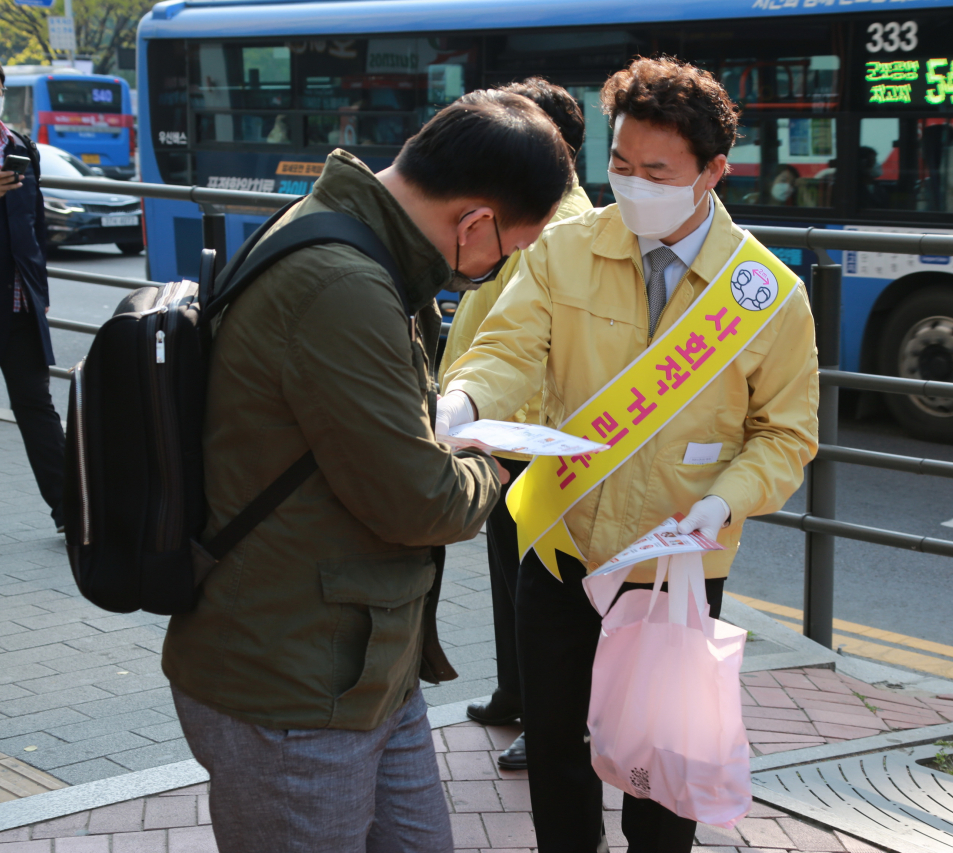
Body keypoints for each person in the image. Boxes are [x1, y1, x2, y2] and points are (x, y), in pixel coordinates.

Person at [160, 90, 573, 853]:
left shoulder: (353, 239)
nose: (499, 266)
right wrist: (493, 457)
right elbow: (419, 499)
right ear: (475, 221)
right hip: (292, 684)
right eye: (509, 250)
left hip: (361, 661)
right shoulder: (343, 283)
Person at [441, 57, 819, 852]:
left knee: (664, 768)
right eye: (619, 164)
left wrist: (725, 501)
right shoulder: (564, 249)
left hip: (676, 567)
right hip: (561, 548)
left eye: (656, 170)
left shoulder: (767, 293)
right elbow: (507, 348)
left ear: (712, 172)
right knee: (555, 750)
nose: (632, 184)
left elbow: (786, 434)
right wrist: (466, 399)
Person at [436, 77, 593, 773]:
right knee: (510, 576)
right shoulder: (536, 210)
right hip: (501, 424)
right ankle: (514, 691)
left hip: (533, 434)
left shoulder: (560, 224)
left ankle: (545, 714)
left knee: (538, 590)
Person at [0, 55, 66, 535]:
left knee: (36, 406)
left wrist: (40, 289)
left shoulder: (21, 147)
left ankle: (72, 510)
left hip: (19, 303)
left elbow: (35, 225)